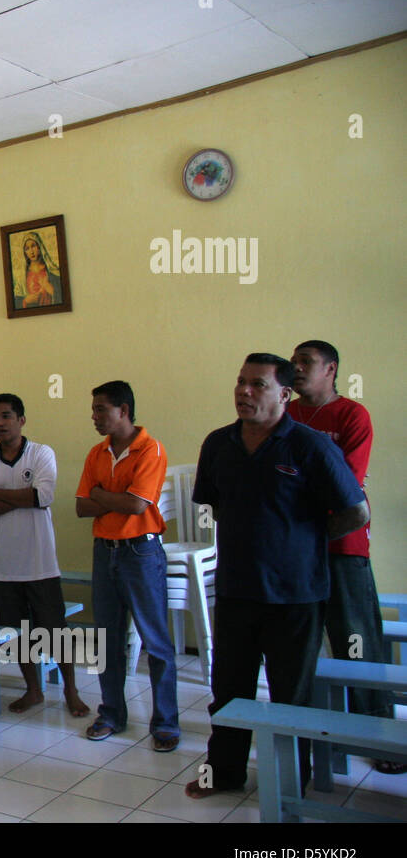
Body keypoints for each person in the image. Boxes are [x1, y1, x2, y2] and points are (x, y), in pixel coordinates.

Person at [185, 354, 368, 799]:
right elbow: (210, 501)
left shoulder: (309, 445)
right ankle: (224, 773)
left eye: (258, 385)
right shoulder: (218, 444)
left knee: (292, 696)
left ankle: (290, 782)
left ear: (284, 394)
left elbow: (355, 511)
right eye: (240, 382)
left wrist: (303, 540)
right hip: (235, 590)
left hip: (296, 595)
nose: (244, 392)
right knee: (228, 691)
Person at [289, 340, 401, 774]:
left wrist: (296, 490)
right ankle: (313, 729)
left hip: (343, 546)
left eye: (306, 363)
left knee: (357, 641)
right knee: (301, 644)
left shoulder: (352, 416)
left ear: (331, 369)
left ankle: (379, 736)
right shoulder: (288, 413)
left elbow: (346, 484)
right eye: (294, 362)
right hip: (295, 552)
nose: (296, 369)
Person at [75, 380, 179, 751]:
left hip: (141, 552)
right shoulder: (96, 453)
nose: (94, 417)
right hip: (105, 551)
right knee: (108, 639)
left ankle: (165, 722)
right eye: (94, 410)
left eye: (101, 409)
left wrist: (102, 495)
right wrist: (110, 499)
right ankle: (112, 714)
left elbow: (138, 506)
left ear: (124, 410)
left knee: (156, 641)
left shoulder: (150, 448)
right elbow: (81, 506)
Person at [0, 394, 89, 717]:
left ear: (21, 420)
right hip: (3, 567)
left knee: (55, 631)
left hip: (40, 564)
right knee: (17, 633)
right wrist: (19, 498)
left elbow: (44, 495)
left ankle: (71, 691)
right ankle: (33, 690)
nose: (0, 423)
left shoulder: (41, 453)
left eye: (7, 416)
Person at [18, 232, 62, 308]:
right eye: (27, 249)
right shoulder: (23, 275)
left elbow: (62, 295)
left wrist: (52, 291)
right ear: (25, 252)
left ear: (39, 247)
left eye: (33, 246)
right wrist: (25, 300)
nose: (31, 251)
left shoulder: (51, 270)